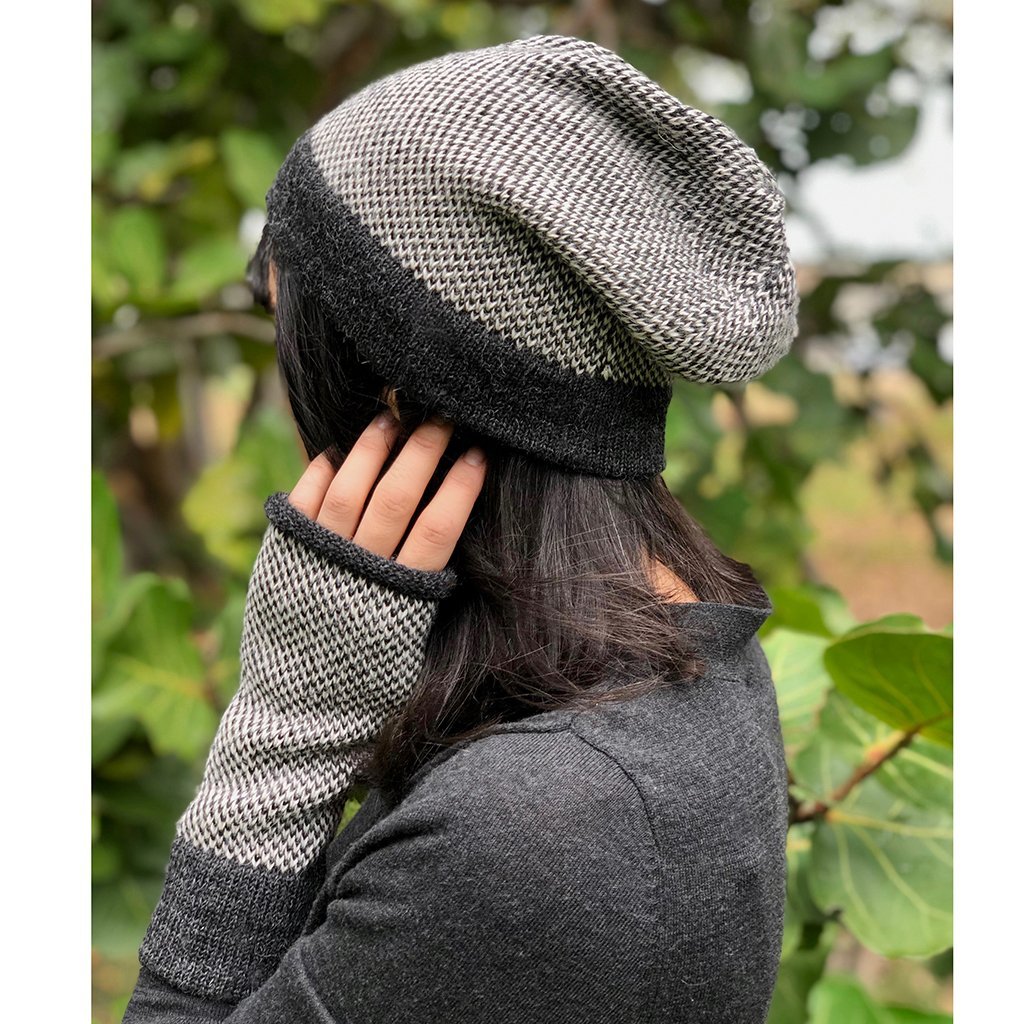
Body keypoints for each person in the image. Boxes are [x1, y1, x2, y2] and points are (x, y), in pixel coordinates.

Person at [123, 33, 797, 1024]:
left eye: (287, 330)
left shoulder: (531, 827)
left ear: (395, 406)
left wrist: (284, 734)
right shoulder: (702, 658)